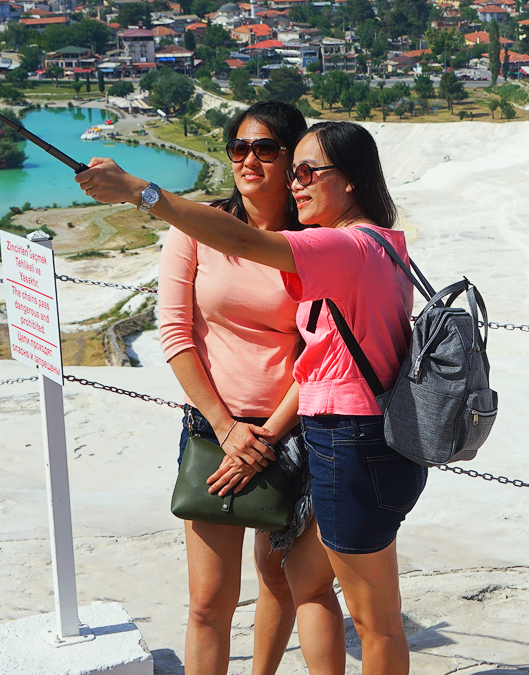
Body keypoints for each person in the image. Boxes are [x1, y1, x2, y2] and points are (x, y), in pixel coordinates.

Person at [78, 120, 426, 675]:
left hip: (351, 442)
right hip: (343, 439)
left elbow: (241, 243)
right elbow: (313, 352)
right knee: (306, 582)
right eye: (296, 173)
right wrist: (236, 428)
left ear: (351, 179)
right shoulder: (377, 242)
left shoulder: (341, 245)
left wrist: (141, 191)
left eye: (306, 171)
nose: (297, 183)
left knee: (375, 620)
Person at [158, 101, 341, 675]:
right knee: (209, 601)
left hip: (292, 431)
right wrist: (227, 429)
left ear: (292, 162)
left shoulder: (315, 241)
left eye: (265, 148)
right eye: (239, 148)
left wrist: (265, 436)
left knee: (279, 578)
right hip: (213, 430)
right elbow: (175, 334)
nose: (248, 160)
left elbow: (320, 350)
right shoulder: (197, 226)